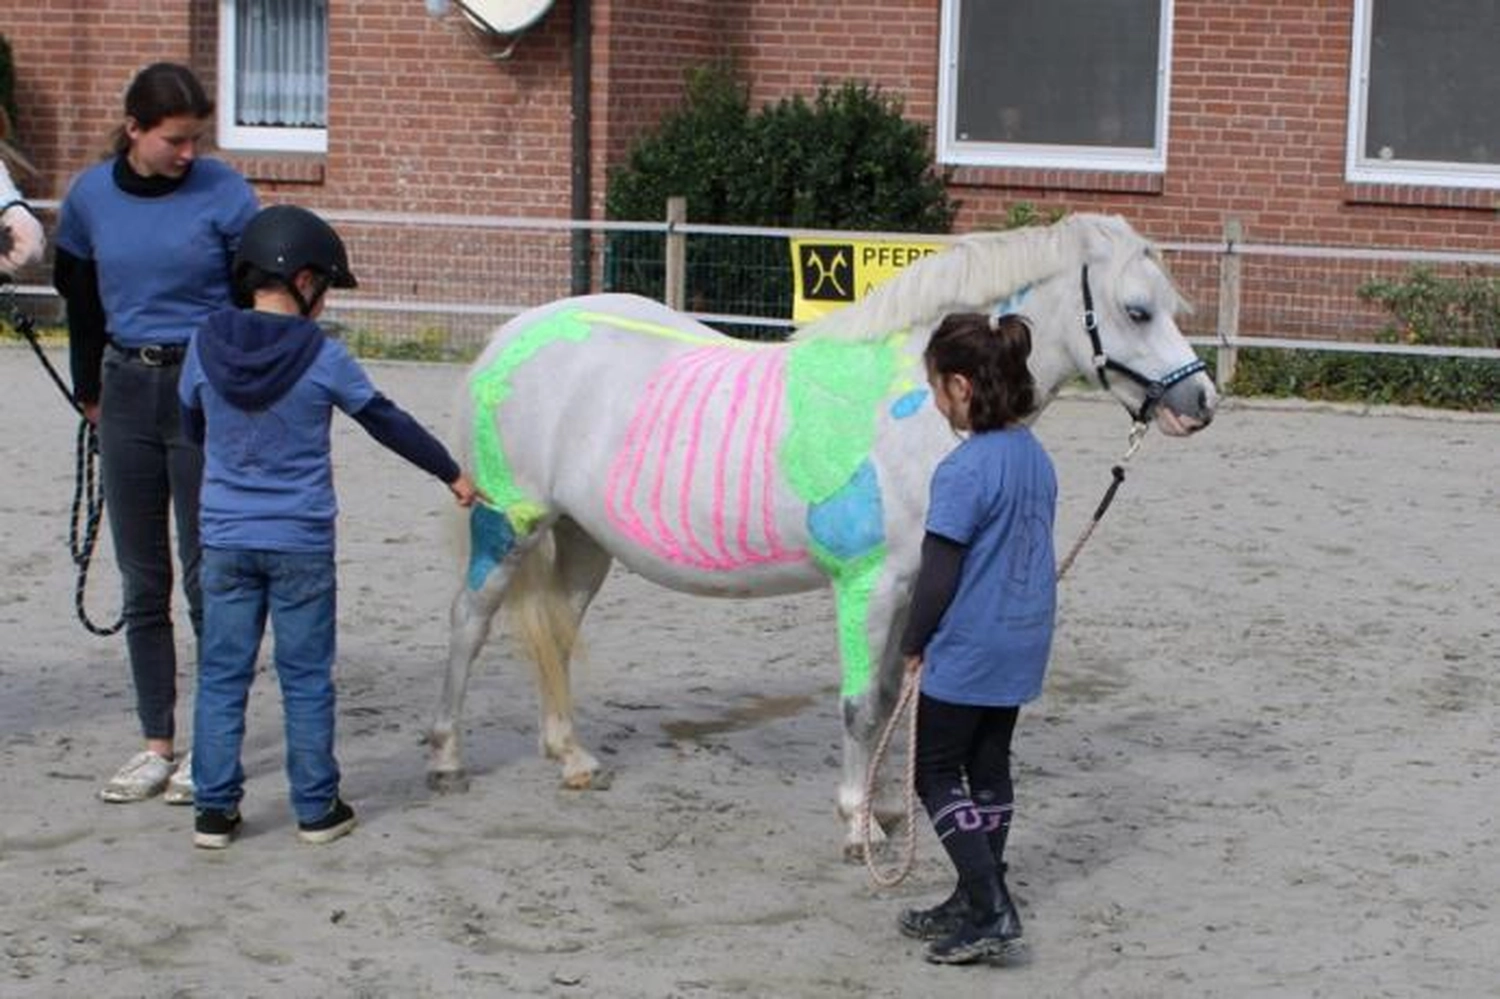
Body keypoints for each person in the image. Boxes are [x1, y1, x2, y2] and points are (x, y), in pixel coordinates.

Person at [179, 204, 480, 848]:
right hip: (300, 541)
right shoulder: (323, 355)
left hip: (226, 539)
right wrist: (451, 473)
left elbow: (192, 427)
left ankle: (214, 810)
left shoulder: (203, 343)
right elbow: (386, 421)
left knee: (222, 674)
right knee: (307, 677)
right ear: (305, 280)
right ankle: (316, 808)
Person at [53, 62, 260, 804]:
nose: (189, 154)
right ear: (135, 129)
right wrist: (89, 391)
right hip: (126, 390)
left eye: (197, 139)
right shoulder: (89, 197)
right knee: (144, 582)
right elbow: (77, 294)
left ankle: (213, 745)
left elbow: (253, 297)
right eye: (176, 140)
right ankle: (154, 743)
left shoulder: (226, 195)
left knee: (210, 576)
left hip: (203, 388)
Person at [896, 312, 1058, 966]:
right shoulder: (1036, 456)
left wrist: (913, 640)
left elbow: (939, 573)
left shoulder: (962, 471)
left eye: (937, 387)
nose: (936, 400)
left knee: (933, 772)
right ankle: (972, 891)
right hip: (1023, 639)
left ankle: (991, 902)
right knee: (989, 765)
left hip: (970, 647)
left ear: (961, 386)